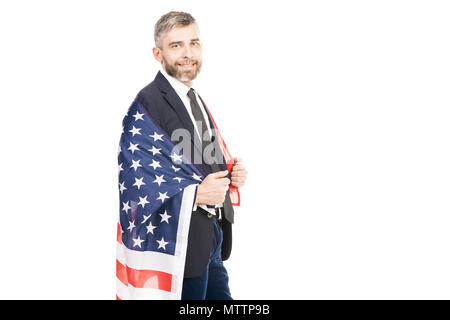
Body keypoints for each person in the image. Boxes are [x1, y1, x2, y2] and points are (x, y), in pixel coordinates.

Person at [135, 11, 248, 300]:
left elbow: (192, 161)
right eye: (176, 46)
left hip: (211, 237)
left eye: (194, 43)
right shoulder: (147, 103)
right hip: (180, 244)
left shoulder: (194, 98)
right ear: (157, 54)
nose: (188, 53)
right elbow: (139, 180)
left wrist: (228, 173)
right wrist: (197, 195)